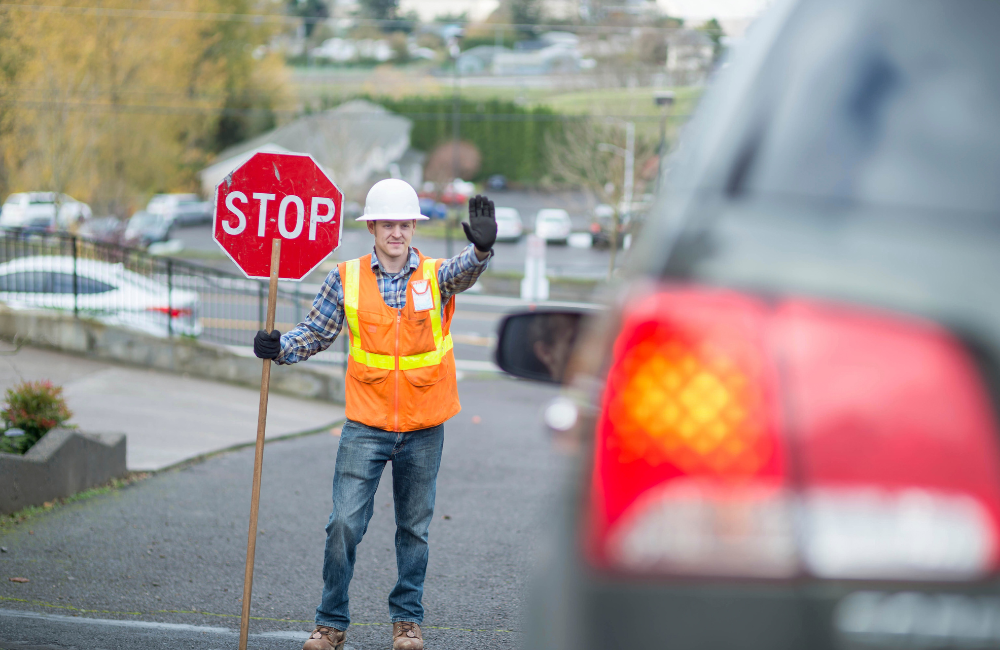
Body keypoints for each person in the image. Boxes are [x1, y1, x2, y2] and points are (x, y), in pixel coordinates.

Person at [253, 178, 496, 650]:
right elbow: (316, 332)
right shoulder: (344, 277)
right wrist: (279, 347)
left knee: (415, 530)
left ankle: (407, 621)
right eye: (389, 224)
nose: (397, 233)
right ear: (373, 228)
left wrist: (482, 252)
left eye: (405, 224)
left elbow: (463, 271)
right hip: (365, 424)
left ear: (412, 228)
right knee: (343, 523)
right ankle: (331, 624)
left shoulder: (434, 275)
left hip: (424, 426)